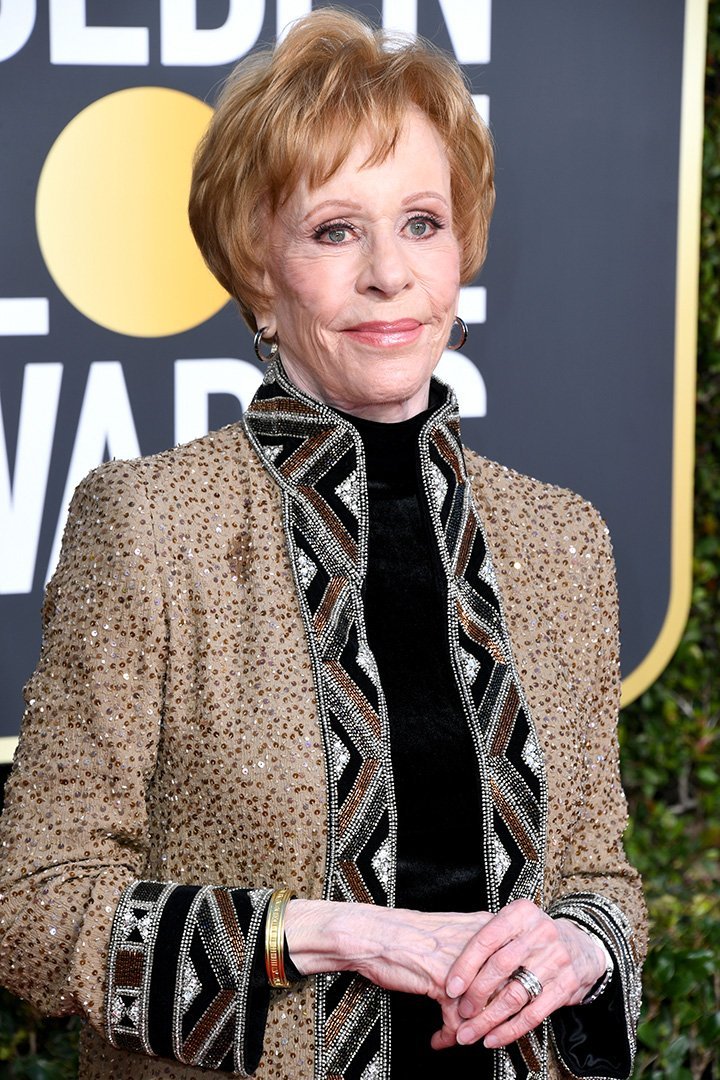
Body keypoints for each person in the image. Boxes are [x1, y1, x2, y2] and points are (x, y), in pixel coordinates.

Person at [0, 9, 646, 1079]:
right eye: (336, 230)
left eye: (423, 223)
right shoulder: (151, 528)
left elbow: (602, 879)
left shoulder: (561, 539)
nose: (389, 274)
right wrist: (321, 932)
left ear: (463, 249)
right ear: (260, 269)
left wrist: (581, 944)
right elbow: (33, 907)